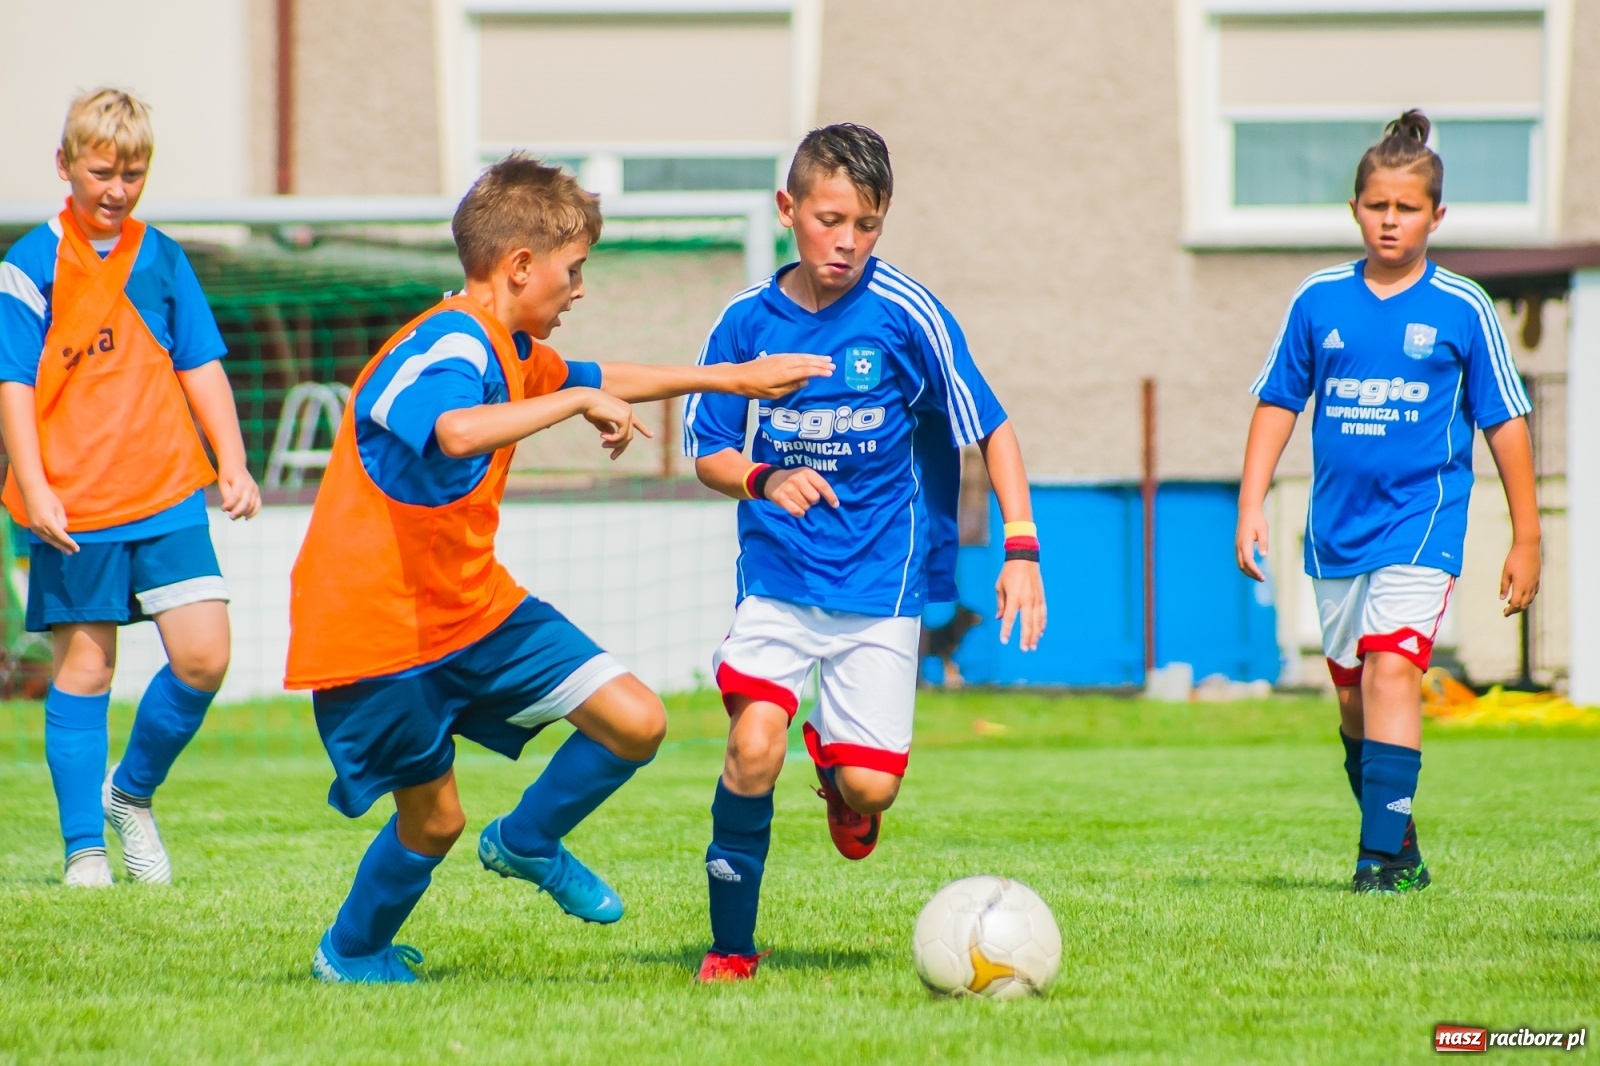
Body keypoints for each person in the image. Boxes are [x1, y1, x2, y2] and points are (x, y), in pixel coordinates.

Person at [285, 154, 832, 984]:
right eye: (573, 272)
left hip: (474, 609)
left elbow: (606, 374)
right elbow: (457, 431)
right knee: (433, 825)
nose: (579, 290)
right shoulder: (440, 346)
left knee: (637, 720)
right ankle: (349, 952)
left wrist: (734, 378)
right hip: (377, 632)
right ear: (518, 267)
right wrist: (576, 405)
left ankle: (529, 839)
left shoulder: (511, 343)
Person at [682, 124, 1047, 982]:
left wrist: (1021, 548)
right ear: (789, 210)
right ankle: (731, 950)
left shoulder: (907, 314)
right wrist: (765, 478)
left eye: (868, 224)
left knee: (870, 791)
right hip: (777, 578)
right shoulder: (743, 322)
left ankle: (843, 778)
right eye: (831, 219)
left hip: (881, 587)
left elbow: (989, 426)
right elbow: (706, 449)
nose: (847, 241)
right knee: (751, 747)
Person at [1236, 110, 1540, 894]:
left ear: (1436, 216)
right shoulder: (1319, 300)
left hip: (1423, 521)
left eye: (1407, 209)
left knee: (1393, 670)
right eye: (1378, 206)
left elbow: (1505, 424)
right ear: (1355, 210)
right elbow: (1277, 403)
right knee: (1352, 704)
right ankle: (1399, 845)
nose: (1391, 221)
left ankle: (1374, 862)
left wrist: (1526, 537)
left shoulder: (1463, 308)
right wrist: (1251, 502)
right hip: (1336, 529)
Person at [0, 88, 261, 888]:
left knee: (205, 657)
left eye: (133, 173)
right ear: (66, 166)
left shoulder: (164, 257)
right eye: (102, 170)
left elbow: (200, 364)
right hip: (75, 505)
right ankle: (84, 850)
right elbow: (11, 385)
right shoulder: (27, 266)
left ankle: (130, 796)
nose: (117, 189)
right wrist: (35, 487)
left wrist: (234, 457)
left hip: (168, 493)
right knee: (86, 672)